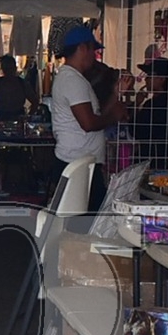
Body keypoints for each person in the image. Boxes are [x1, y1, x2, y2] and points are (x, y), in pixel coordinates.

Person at [45, 24, 123, 213]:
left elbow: (95, 117)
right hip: (77, 163)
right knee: (83, 220)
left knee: (85, 218)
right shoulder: (71, 80)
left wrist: (115, 95)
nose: (94, 56)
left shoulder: (74, 79)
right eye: (93, 50)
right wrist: (114, 116)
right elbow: (88, 123)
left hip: (81, 162)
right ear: (82, 48)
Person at [127, 56, 168, 167]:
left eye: (150, 75)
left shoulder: (151, 105)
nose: (146, 79)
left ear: (162, 79)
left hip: (150, 162)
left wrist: (136, 105)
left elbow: (135, 131)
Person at [0, 54, 31, 120]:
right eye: (6, 68)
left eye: (10, 68)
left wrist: (27, 118)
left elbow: (35, 101)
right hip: (0, 118)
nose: (8, 71)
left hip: (14, 118)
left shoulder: (22, 84)